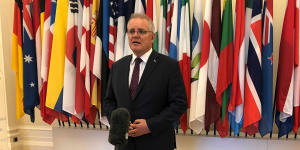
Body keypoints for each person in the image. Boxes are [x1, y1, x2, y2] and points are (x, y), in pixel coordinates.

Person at [103, 13, 187, 150]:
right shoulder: (117, 66)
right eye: (131, 31)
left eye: (141, 31)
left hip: (157, 143)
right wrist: (120, 123)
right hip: (124, 145)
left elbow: (179, 104)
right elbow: (108, 102)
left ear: (153, 37)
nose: (135, 35)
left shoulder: (169, 66)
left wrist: (150, 125)